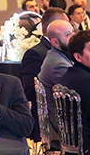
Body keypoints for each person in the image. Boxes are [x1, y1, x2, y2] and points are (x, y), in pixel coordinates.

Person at [19, 8, 69, 141]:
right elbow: (30, 90)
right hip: (50, 119)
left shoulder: (66, 50)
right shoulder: (36, 53)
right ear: (48, 27)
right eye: (65, 27)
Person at [36, 19, 76, 143]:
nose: (74, 37)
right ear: (55, 42)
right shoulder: (58, 64)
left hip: (66, 118)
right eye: (68, 34)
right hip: (65, 126)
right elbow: (82, 94)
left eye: (73, 32)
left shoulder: (58, 56)